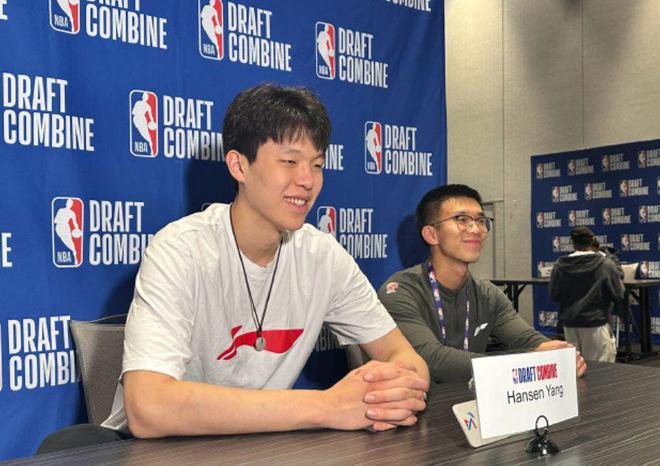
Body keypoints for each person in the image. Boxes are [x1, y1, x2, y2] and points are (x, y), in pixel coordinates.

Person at [38, 84, 429, 453]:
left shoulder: (323, 256)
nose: (307, 180)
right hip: (159, 451)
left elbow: (407, 360)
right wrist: (326, 406)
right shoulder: (181, 249)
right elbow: (148, 408)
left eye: (317, 164)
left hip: (262, 447)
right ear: (239, 166)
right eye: (290, 161)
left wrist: (389, 391)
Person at [377, 184, 587, 383]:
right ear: (432, 234)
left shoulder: (487, 294)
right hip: (417, 404)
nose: (476, 229)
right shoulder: (400, 291)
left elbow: (529, 340)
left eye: (480, 220)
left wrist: (559, 355)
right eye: (461, 219)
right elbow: (431, 358)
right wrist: (522, 364)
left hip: (473, 402)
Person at [549, 226, 624, 362]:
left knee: (575, 367)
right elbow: (618, 293)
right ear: (592, 241)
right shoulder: (606, 264)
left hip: (569, 324)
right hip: (596, 323)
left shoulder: (560, 266)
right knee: (602, 368)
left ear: (573, 243)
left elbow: (555, 295)